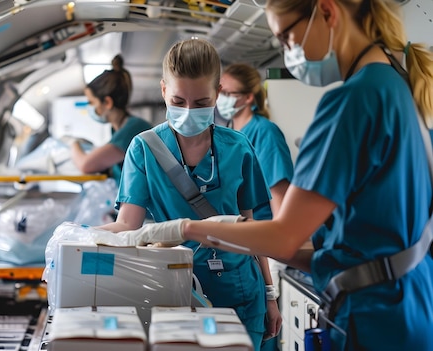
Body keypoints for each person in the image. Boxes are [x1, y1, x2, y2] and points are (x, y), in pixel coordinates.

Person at [111, 0, 433, 350]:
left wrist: (186, 229)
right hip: (408, 302)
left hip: (373, 315)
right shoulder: (395, 85)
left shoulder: (354, 102)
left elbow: (283, 237)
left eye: (286, 37)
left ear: (327, 12)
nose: (287, 51)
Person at [99, 38, 276, 351]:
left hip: (243, 294)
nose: (189, 111)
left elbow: (253, 229)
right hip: (176, 292)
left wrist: (270, 295)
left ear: (217, 94)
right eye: (179, 102)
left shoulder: (238, 147)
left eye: (201, 102)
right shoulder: (144, 149)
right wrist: (78, 239)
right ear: (164, 90)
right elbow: (127, 225)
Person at [218, 63, 294, 349]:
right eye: (219, 90)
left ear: (249, 97)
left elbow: (281, 203)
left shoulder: (265, 132)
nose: (220, 97)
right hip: (241, 247)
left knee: (265, 334)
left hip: (265, 248)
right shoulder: (226, 133)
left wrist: (275, 261)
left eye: (227, 92)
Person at [67, 54, 152, 183]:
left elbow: (85, 165)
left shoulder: (134, 129)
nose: (89, 107)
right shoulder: (117, 129)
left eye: (91, 102)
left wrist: (72, 143)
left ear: (107, 102)